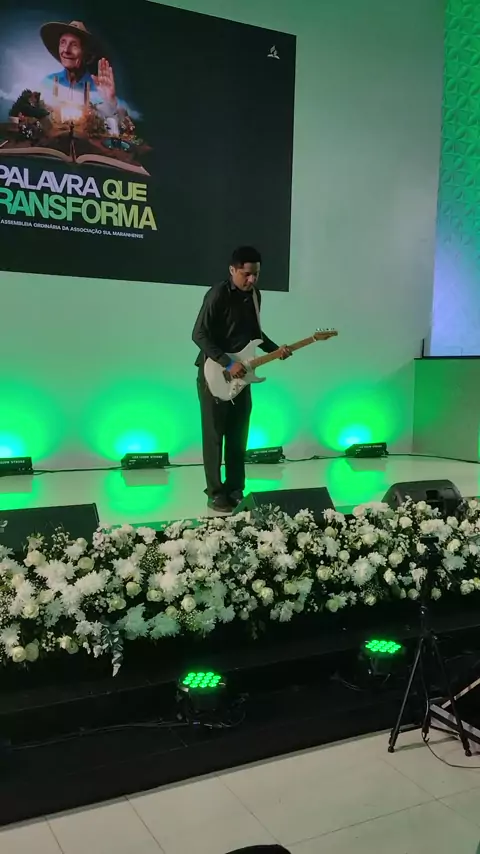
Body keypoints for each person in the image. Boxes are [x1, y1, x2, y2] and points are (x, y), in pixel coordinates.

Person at [192, 247, 292, 513]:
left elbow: (255, 334)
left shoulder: (256, 296)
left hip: (242, 375)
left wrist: (275, 350)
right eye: (246, 274)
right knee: (214, 437)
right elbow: (199, 334)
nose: (252, 279)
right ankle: (215, 493)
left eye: (256, 274)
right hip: (214, 372)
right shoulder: (218, 294)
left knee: (238, 436)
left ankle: (235, 489)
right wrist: (227, 362)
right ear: (232, 270)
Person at [39, 19, 121, 122]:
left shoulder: (99, 88)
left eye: (74, 45)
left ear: (86, 53)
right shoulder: (48, 82)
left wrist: (109, 101)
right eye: (63, 43)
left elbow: (109, 124)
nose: (66, 50)